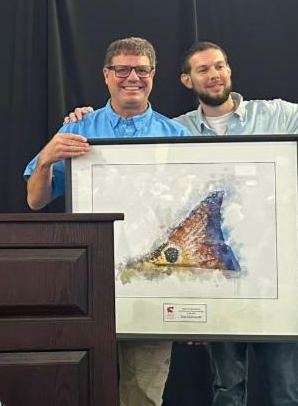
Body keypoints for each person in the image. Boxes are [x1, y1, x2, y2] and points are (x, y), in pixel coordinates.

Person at [66, 41, 298, 406]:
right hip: (218, 278)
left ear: (229, 70)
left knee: (286, 388)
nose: (214, 75)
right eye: (203, 69)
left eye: (219, 66)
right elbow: (164, 211)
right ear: (186, 80)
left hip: (275, 279)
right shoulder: (176, 132)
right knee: (227, 388)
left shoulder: (276, 113)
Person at [23, 37, 190, 406]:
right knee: (81, 385)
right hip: (87, 281)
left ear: (153, 74)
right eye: (122, 69)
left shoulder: (178, 137)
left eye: (141, 70)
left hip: (153, 283)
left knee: (144, 392)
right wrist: (47, 157)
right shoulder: (77, 128)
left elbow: (188, 221)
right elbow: (35, 200)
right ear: (106, 74)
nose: (132, 77)